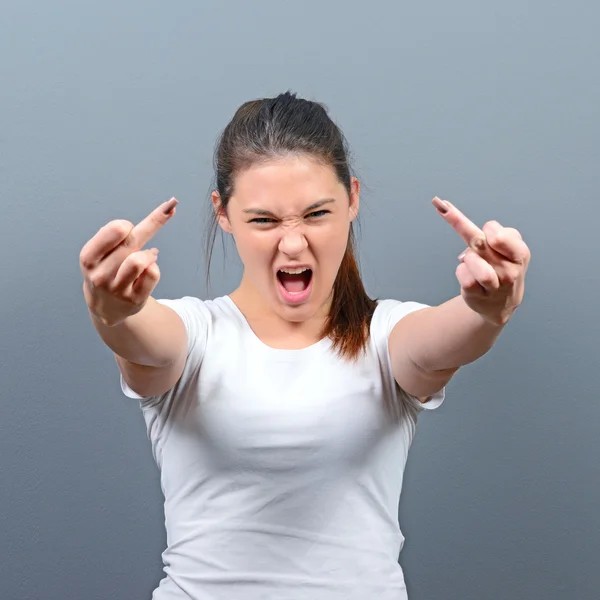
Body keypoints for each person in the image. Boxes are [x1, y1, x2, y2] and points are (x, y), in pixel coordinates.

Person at [79, 92, 531, 600]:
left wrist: (487, 310)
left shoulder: (385, 335)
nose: (292, 244)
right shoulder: (194, 332)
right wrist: (113, 311)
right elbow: (144, 341)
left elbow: (441, 341)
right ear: (222, 214)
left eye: (316, 214)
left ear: (353, 199)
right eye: (264, 220)